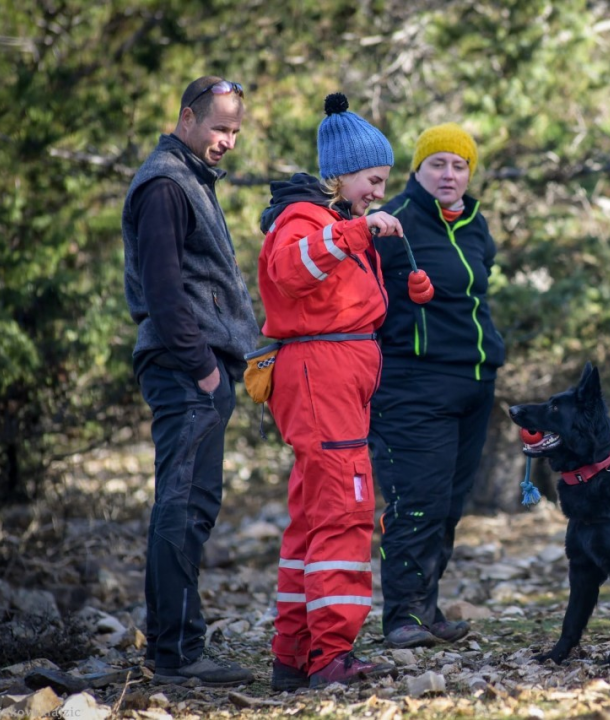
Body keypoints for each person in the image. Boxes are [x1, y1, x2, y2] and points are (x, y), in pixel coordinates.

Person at [257, 93, 403, 690]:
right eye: (372, 179)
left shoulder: (329, 221)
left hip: (332, 374)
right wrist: (354, 232)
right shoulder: (308, 221)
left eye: (384, 181)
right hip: (322, 374)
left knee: (313, 516)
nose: (378, 191)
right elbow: (289, 271)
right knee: (345, 508)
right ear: (341, 173)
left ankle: (294, 653)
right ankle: (331, 655)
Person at [122, 76, 259, 686]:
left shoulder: (190, 180)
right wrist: (205, 370)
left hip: (198, 369)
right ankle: (177, 655)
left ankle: (173, 648)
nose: (227, 140)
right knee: (183, 505)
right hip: (186, 369)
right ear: (186, 119)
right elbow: (164, 289)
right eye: (219, 127)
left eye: (234, 130)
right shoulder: (165, 185)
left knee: (191, 506)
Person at [370, 123, 505, 649]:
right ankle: (401, 616)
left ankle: (425, 609)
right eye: (438, 164)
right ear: (417, 170)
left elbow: (479, 286)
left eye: (460, 165)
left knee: (449, 503)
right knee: (415, 501)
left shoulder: (475, 223)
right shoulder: (393, 223)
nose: (449, 175)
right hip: (412, 385)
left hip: (473, 383)